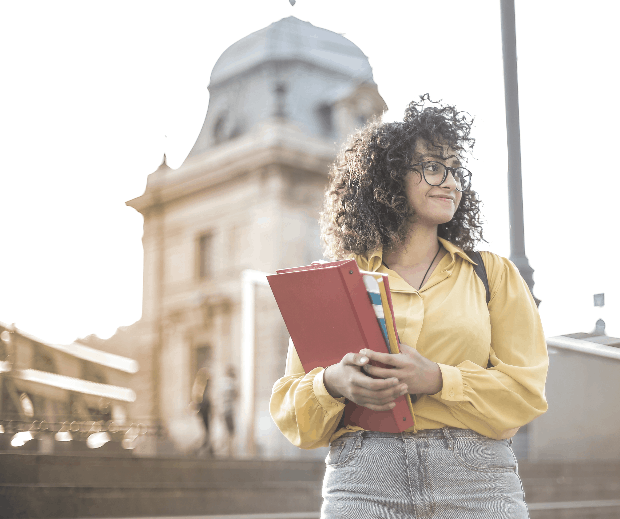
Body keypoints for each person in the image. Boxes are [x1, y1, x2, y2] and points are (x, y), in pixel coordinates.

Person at [270, 95, 548, 518]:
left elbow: (526, 393)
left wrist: (438, 379)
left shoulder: (492, 274)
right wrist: (332, 383)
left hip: (476, 479)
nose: (451, 181)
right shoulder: (338, 283)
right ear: (388, 177)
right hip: (363, 479)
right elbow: (293, 413)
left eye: (456, 170)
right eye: (433, 167)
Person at [191, 367, 213, 456]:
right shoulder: (200, 386)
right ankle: (204, 447)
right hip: (203, 409)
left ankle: (208, 447)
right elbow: (198, 399)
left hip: (204, 409)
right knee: (206, 430)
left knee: (207, 430)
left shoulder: (200, 386)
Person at [221, 365, 239, 457]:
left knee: (228, 431)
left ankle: (228, 451)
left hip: (224, 410)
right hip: (229, 410)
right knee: (230, 432)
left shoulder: (223, 382)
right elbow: (236, 394)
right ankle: (229, 451)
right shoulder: (230, 383)